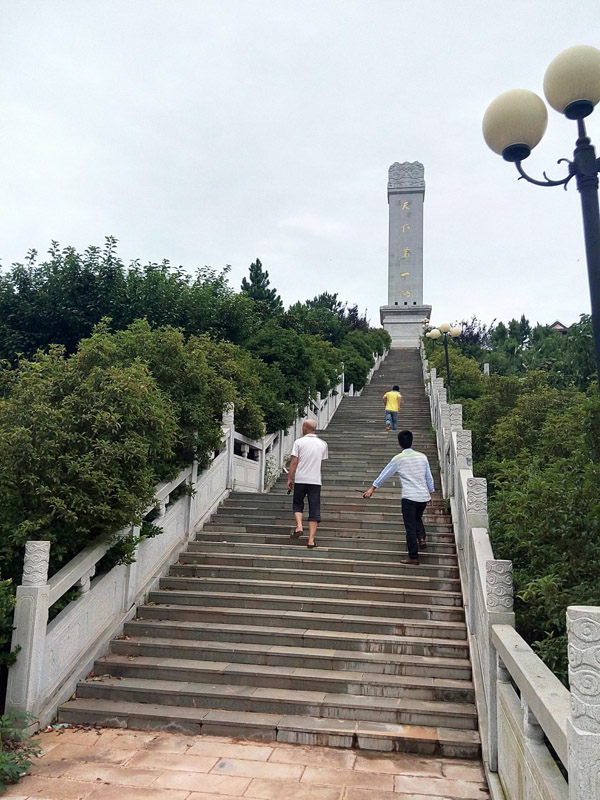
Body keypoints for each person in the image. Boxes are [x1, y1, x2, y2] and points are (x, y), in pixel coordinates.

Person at [363, 430, 434, 565]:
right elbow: (428, 477)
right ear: (412, 441)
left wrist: (372, 488)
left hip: (409, 497)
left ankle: (413, 556)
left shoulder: (398, 459)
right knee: (417, 517)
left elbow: (385, 474)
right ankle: (421, 537)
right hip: (422, 497)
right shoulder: (423, 457)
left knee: (410, 527)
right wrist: (431, 493)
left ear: (399, 444)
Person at [287, 419, 328, 549]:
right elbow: (321, 460)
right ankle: (311, 540)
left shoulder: (299, 442)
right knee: (314, 508)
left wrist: (289, 478)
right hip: (315, 481)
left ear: (305, 428)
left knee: (298, 504)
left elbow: (294, 461)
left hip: (300, 479)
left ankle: (299, 526)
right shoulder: (323, 444)